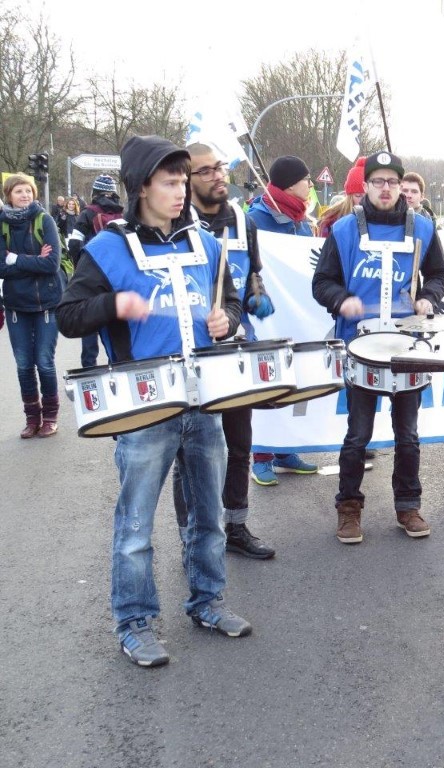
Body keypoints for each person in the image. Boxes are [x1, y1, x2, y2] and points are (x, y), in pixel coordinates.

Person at [56, 135, 252, 667]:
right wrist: (113, 303)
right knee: (136, 525)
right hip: (144, 409)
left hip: (203, 401)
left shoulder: (207, 243)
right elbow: (68, 316)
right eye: (170, 182)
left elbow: (231, 300)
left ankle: (208, 601)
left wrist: (227, 319)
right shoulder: (108, 248)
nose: (181, 191)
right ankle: (134, 621)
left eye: (184, 181)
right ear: (142, 187)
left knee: (208, 515)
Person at [312, 150, 444, 545]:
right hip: (361, 345)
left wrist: (429, 297)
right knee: (358, 435)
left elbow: (439, 274)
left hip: (408, 345)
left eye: (392, 182)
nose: (386, 189)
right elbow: (322, 282)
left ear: (401, 186)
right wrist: (341, 300)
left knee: (408, 435)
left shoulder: (422, 227)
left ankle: (408, 505)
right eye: (378, 182)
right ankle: (349, 508)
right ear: (365, 186)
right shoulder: (343, 231)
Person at [168, 142, 277, 559]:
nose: (218, 176)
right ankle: (190, 536)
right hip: (190, 353)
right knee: (190, 452)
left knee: (240, 442)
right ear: (188, 179)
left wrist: (256, 295)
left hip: (234, 346)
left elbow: (254, 275)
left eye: (221, 168)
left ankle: (236, 526)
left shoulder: (242, 220)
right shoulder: (177, 223)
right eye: (206, 171)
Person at [246, 155, 320, 484]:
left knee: (293, 380)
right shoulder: (256, 218)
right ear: (290, 184)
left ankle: (284, 450)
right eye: (306, 179)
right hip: (267, 316)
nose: (311, 184)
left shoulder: (303, 221)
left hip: (295, 317)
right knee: (266, 382)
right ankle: (261, 453)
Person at [0, 173, 63, 438]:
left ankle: (49, 416)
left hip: (47, 302)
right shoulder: (2, 224)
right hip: (16, 305)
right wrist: (32, 259)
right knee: (24, 364)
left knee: (44, 362)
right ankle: (31, 418)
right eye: (18, 191)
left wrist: (15, 258)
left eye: (28, 190)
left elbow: (51, 265)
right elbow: (1, 267)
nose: (24, 195)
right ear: (8, 196)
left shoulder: (44, 220)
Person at [68, 174, 125, 368]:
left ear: (95, 192)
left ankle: (90, 373)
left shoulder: (87, 213)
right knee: (116, 330)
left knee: (89, 327)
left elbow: (74, 243)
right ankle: (116, 369)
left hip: (93, 279)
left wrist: (81, 268)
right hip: (118, 279)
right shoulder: (123, 213)